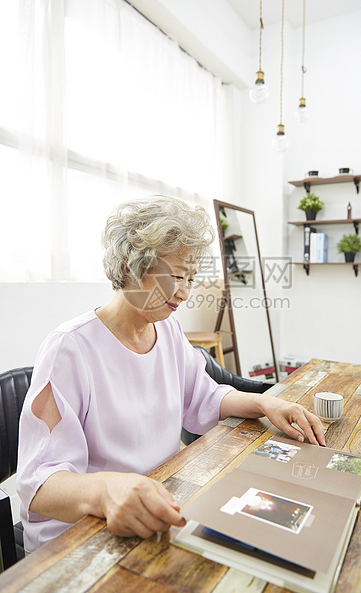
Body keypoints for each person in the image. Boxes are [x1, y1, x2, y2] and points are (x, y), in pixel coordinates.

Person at [16, 195, 325, 553]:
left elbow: (204, 396)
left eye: (191, 278)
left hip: (156, 508)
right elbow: (37, 484)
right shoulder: (70, 349)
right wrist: (105, 490)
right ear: (132, 267)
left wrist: (265, 403)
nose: (185, 292)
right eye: (176, 276)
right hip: (80, 538)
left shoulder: (169, 331)